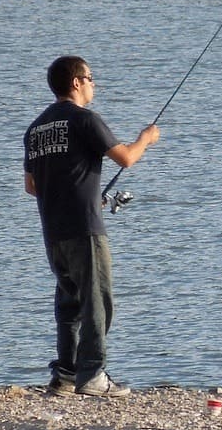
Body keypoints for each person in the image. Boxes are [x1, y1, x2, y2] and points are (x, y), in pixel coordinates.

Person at [24, 55, 160, 397]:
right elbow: (126, 157)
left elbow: (31, 186)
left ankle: (66, 375)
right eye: (90, 77)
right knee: (97, 302)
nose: (93, 83)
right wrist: (146, 137)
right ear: (76, 82)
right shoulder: (85, 119)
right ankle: (93, 374)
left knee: (69, 304)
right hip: (85, 230)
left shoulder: (36, 129)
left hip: (53, 232)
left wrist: (83, 194)